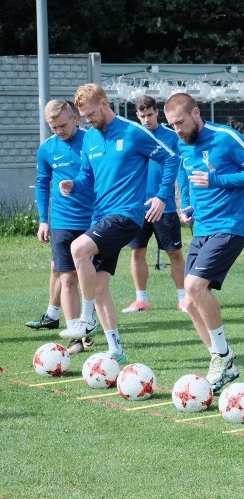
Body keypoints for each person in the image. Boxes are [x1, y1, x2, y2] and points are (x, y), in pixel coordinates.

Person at [58, 83, 180, 365]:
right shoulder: (89, 140)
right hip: (100, 217)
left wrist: (162, 197)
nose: (87, 119)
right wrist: (73, 185)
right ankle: (116, 350)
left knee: (78, 249)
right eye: (83, 115)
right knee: (99, 287)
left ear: (104, 104)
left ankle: (86, 321)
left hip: (126, 216)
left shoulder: (133, 132)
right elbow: (87, 179)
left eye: (90, 113)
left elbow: (171, 158)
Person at [163, 92, 244, 392]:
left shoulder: (225, 137)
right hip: (202, 230)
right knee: (189, 298)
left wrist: (218, 181)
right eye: (172, 125)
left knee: (196, 287)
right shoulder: (182, 146)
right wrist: (189, 206)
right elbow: (187, 179)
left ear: (196, 113)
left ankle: (223, 355)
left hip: (229, 227)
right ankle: (222, 363)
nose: (178, 130)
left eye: (181, 122)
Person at [29, 100, 96, 354]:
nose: (59, 131)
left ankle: (92, 323)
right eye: (53, 127)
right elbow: (42, 184)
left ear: (75, 119)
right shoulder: (47, 149)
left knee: (95, 279)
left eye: (63, 125)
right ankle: (75, 336)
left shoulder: (93, 141)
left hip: (93, 220)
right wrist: (43, 220)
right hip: (62, 222)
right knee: (67, 277)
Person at [121, 95, 189, 313]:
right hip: (137, 208)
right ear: (137, 116)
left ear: (157, 112)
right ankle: (141, 300)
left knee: (175, 254)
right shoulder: (133, 136)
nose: (146, 120)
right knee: (137, 252)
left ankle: (183, 298)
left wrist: (186, 203)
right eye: (142, 116)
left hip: (165, 207)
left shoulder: (171, 137)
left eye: (150, 115)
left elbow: (182, 173)